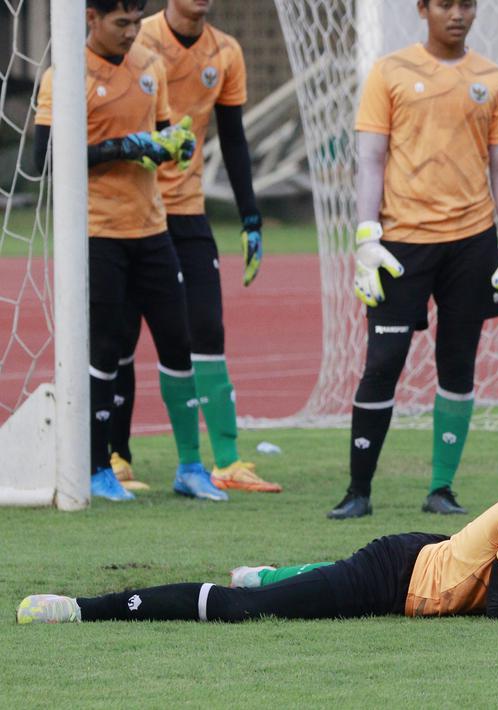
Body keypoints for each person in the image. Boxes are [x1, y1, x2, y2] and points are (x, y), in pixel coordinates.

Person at [17, 412, 498, 623]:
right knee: (247, 613)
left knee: (286, 588)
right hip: (395, 576)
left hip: (429, 556)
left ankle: (271, 573)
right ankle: (84, 608)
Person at [329, 0, 498, 519]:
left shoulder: (493, 80)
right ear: (423, 8)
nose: (457, 13)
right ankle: (358, 491)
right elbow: (371, 158)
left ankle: (441, 489)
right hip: (400, 244)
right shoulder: (390, 72)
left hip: (471, 243)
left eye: (466, 3)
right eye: (445, 3)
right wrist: (365, 236)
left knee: (458, 363)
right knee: (382, 364)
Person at [32, 0, 225, 502]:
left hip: (152, 229)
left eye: (137, 21)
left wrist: (171, 144)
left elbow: (157, 134)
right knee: (106, 349)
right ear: (90, 19)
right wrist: (123, 147)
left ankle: (189, 467)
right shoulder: (64, 77)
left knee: (177, 343)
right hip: (98, 233)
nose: (131, 31)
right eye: (121, 23)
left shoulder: (149, 66)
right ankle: (98, 467)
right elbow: (44, 157)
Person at [102, 0, 282, 494]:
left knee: (206, 326)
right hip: (128, 212)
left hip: (187, 212)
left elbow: (234, 138)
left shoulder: (225, 51)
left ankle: (226, 459)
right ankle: (117, 456)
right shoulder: (135, 39)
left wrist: (250, 217)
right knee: (118, 336)